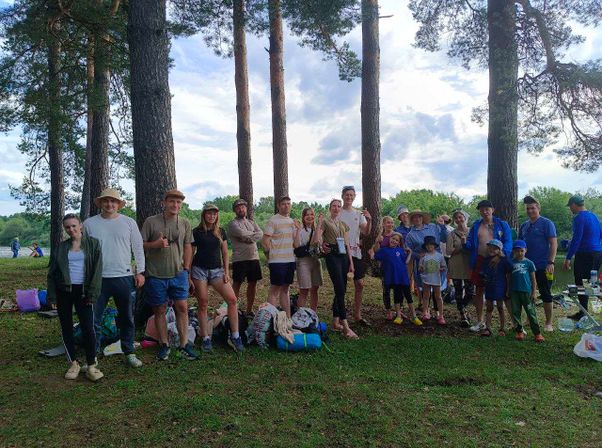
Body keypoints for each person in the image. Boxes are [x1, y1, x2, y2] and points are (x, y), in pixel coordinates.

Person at [84, 188, 145, 368]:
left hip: (124, 276)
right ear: (100, 203)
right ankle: (92, 356)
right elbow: (83, 250)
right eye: (106, 201)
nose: (109, 204)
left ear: (118, 204)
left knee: (127, 317)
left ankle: (129, 351)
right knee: (93, 319)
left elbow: (138, 248)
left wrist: (140, 272)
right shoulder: (89, 224)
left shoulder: (128, 222)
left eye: (113, 201)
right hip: (97, 279)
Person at [141, 189, 198, 361]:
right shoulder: (151, 221)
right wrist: (155, 244)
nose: (175, 205)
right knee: (160, 309)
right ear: (164, 203)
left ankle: (184, 344)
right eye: (172, 201)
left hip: (178, 273)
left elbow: (188, 246)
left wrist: (186, 268)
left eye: (179, 202)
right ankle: (164, 344)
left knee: (182, 307)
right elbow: (140, 244)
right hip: (155, 274)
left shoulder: (185, 223)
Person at [47, 214, 104, 381]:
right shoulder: (61, 247)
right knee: (66, 327)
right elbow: (52, 273)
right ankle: (73, 363)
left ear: (80, 226)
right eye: (67, 227)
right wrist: (52, 297)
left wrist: (93, 293)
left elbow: (97, 270)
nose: (71, 229)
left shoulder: (93, 244)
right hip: (64, 291)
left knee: (88, 327)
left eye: (73, 226)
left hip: (84, 291)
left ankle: (91, 364)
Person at [191, 203, 244, 353]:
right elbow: (191, 252)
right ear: (204, 215)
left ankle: (235, 335)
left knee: (232, 300)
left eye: (214, 214)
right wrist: (188, 274)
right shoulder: (196, 232)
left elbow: (225, 253)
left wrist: (226, 272)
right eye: (209, 213)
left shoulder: (221, 231)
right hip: (199, 270)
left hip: (217, 271)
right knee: (203, 303)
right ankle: (205, 338)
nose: (212, 216)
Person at [463, 200, 512, 333]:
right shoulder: (476, 225)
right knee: (479, 291)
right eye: (482, 209)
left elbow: (508, 242)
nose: (485, 212)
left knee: (504, 291)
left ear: (492, 210)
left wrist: (501, 255)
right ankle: (480, 321)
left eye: (487, 209)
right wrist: (464, 243)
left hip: (498, 260)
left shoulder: (502, 224)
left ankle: (514, 323)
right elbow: (471, 243)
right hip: (480, 260)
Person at [320, 198, 358, 339]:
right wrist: (321, 244)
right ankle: (346, 327)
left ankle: (336, 322)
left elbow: (347, 245)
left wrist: (351, 262)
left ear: (340, 209)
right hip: (332, 257)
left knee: (342, 289)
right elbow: (318, 238)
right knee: (340, 289)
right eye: (334, 206)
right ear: (330, 208)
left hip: (343, 258)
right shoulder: (325, 222)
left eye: (338, 206)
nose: (336, 208)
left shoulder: (343, 225)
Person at [518, 195, 558, 331]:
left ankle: (548, 323)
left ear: (538, 208)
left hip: (543, 265)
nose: (530, 211)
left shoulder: (547, 223)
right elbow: (520, 245)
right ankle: (529, 319)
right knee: (528, 293)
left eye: (533, 208)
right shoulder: (524, 225)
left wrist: (551, 262)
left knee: (545, 293)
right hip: (527, 266)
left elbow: (553, 243)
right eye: (528, 208)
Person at [562, 195, 602, 320]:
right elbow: (599, 234)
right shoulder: (593, 216)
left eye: (570, 206)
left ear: (574, 204)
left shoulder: (579, 217)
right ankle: (584, 312)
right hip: (597, 253)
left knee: (581, 283)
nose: (570, 209)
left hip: (585, 254)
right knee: (591, 282)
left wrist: (568, 257)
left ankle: (583, 313)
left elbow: (577, 238)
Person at [339, 186, 372, 325]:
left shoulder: (358, 214)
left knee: (359, 284)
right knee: (341, 286)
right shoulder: (338, 212)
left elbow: (366, 232)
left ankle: (357, 315)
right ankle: (339, 316)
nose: (349, 197)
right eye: (347, 194)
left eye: (351, 195)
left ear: (354, 197)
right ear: (342, 196)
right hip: (341, 252)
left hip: (356, 252)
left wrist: (369, 220)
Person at [373, 232, 422, 326]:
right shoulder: (384, 250)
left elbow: (406, 262)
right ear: (389, 238)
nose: (394, 241)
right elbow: (376, 253)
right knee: (397, 296)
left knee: (408, 297)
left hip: (403, 278)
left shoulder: (400, 250)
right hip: (393, 278)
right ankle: (398, 316)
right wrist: (377, 242)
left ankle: (414, 316)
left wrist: (410, 253)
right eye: (393, 238)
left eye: (396, 240)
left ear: (399, 243)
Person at [261, 196, 298, 317]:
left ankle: (287, 318)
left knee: (286, 289)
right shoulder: (273, 220)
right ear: (278, 205)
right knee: (274, 290)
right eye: (283, 204)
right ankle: (270, 318)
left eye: (288, 204)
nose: (286, 206)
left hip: (290, 260)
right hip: (277, 261)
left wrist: (298, 230)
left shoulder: (292, 222)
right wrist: (270, 257)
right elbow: (265, 241)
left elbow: (295, 243)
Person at [228, 198, 263, 316]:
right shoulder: (233, 224)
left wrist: (249, 238)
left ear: (246, 209)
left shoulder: (252, 222)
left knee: (253, 284)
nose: (241, 209)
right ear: (234, 210)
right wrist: (253, 236)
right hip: (239, 259)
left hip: (254, 258)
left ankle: (249, 310)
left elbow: (260, 234)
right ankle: (232, 310)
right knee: (237, 284)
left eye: (243, 207)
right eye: (238, 207)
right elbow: (241, 233)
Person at [405, 209, 448, 298]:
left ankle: (437, 307)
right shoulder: (410, 235)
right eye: (414, 217)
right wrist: (418, 255)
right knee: (426, 291)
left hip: (438, 262)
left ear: (423, 218)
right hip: (423, 265)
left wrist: (442, 226)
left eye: (419, 216)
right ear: (412, 220)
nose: (417, 219)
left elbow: (444, 239)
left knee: (437, 291)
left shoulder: (433, 227)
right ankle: (425, 306)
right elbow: (408, 251)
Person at [508, 240, 544, 342]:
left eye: (521, 251)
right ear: (513, 251)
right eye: (517, 251)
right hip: (514, 292)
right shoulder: (511, 263)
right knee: (516, 312)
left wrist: (533, 292)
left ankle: (537, 333)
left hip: (526, 292)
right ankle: (519, 331)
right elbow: (508, 278)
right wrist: (508, 290)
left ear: (525, 250)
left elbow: (533, 279)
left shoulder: (529, 263)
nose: (519, 253)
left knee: (531, 312)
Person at [446, 209, 474, 327]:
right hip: (456, 264)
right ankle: (462, 314)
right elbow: (448, 251)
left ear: (465, 218)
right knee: (458, 290)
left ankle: (462, 307)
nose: (458, 219)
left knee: (470, 291)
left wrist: (466, 244)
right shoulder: (451, 234)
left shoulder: (472, 231)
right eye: (456, 218)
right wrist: (462, 246)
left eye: (460, 217)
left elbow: (475, 246)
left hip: (469, 265)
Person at [293, 207, 323, 311]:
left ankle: (313, 314)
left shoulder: (318, 229)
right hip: (303, 261)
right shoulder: (300, 230)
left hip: (315, 260)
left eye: (311, 214)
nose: (310, 217)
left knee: (315, 289)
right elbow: (296, 245)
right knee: (304, 290)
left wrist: (319, 225)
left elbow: (317, 242)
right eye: (307, 215)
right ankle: (300, 315)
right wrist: (297, 230)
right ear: (303, 217)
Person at [480, 240, 511, 337]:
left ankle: (502, 328)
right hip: (489, 286)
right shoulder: (486, 260)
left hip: (500, 287)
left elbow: (510, 270)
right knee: (489, 307)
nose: (492, 250)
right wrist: (484, 278)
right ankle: (488, 328)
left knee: (500, 307)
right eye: (490, 247)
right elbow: (482, 272)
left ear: (499, 250)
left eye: (495, 248)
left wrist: (502, 256)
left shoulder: (504, 260)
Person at [369, 216, 397, 320]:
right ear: (383, 224)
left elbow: (400, 249)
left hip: (396, 267)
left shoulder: (396, 235)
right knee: (386, 289)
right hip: (385, 266)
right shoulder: (380, 236)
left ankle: (398, 310)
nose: (390, 224)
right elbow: (376, 251)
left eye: (392, 222)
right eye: (388, 222)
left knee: (397, 289)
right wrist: (377, 241)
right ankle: (389, 311)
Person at [418, 235, 447, 324]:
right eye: (427, 245)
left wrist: (440, 269)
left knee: (438, 297)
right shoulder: (423, 256)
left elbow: (444, 267)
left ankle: (441, 315)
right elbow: (419, 268)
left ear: (434, 245)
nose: (429, 246)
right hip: (426, 279)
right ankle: (425, 313)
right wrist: (421, 269)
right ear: (425, 246)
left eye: (431, 244)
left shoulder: (439, 256)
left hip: (436, 279)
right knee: (426, 296)